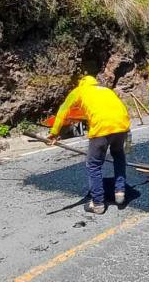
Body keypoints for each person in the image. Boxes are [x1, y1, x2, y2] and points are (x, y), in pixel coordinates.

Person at [48, 76, 131, 214]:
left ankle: (98, 203)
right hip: (122, 125)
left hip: (101, 128)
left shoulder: (80, 90)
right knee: (118, 156)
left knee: (94, 165)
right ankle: (120, 193)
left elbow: (63, 109)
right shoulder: (106, 90)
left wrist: (54, 132)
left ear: (82, 83)